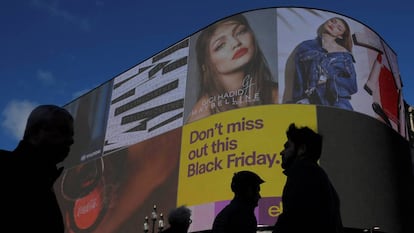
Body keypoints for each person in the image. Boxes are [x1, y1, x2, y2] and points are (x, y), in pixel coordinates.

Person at [187, 14, 278, 123]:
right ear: (205, 66)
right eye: (220, 45)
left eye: (240, 32)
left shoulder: (276, 94)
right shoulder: (202, 112)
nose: (236, 43)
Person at [0, 104, 74, 232]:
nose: (71, 140)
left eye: (71, 134)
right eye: (62, 130)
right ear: (35, 133)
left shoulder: (48, 185)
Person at [272, 123, 343, 233]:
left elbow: (292, 218)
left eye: (287, 146)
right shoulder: (317, 174)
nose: (282, 152)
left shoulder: (303, 173)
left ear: (302, 149)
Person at [288, 17, 357, 110]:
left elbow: (352, 85)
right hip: (311, 101)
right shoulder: (306, 46)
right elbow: (299, 77)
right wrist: (299, 99)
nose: (333, 25)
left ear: (340, 36)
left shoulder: (345, 55)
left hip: (338, 102)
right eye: (333, 21)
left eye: (339, 28)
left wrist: (330, 81)